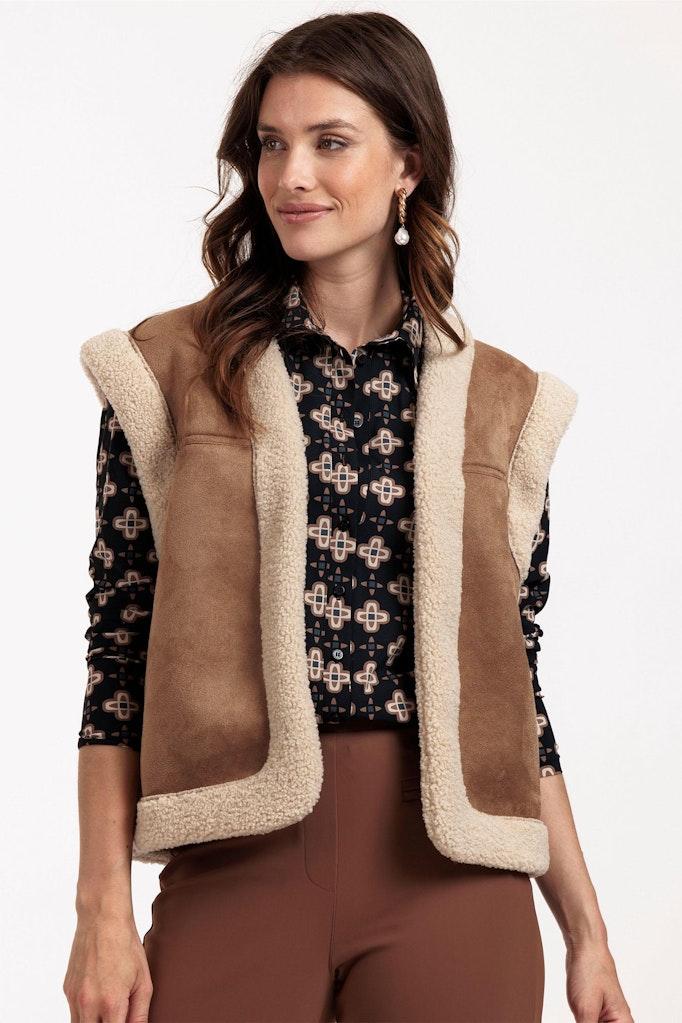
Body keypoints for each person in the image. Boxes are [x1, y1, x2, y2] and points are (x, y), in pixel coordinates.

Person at [64, 11, 633, 1023]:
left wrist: (586, 933)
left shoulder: (503, 407)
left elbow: (515, 684)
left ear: (408, 164)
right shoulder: (167, 375)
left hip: (453, 883)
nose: (291, 176)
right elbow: (118, 651)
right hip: (234, 868)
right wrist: (100, 905)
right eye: (271, 144)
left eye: (331, 142)